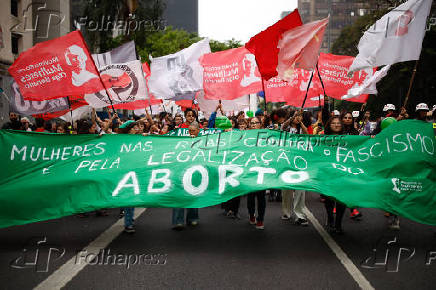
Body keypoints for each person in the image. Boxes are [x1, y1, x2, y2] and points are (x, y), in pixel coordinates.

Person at [280, 110, 309, 226]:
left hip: (300, 162)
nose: (298, 118)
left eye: (300, 116)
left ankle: (300, 215)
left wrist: (301, 123)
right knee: (286, 189)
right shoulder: (286, 127)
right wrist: (292, 118)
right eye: (296, 115)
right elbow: (283, 126)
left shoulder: (302, 128)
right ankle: (286, 212)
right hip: (286, 161)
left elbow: (307, 134)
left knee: (300, 189)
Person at [172, 121, 200, 230]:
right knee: (179, 196)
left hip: (195, 173)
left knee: (193, 196)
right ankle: (178, 221)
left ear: (198, 131)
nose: (190, 133)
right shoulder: (182, 141)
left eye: (193, 131)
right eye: (189, 131)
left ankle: (193, 218)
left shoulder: (204, 141)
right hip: (181, 172)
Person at [322, 116, 347, 234]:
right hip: (328, 174)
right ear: (329, 125)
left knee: (342, 199)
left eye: (338, 123)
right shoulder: (322, 138)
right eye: (333, 123)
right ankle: (330, 217)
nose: (336, 125)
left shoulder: (348, 138)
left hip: (342, 174)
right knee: (329, 199)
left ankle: (338, 224)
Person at [118, 120, 141, 233]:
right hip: (125, 174)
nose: (136, 129)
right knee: (129, 199)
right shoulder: (121, 140)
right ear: (129, 129)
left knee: (132, 199)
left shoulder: (139, 139)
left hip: (135, 173)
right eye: (134, 127)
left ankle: (129, 220)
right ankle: (128, 223)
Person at [246, 117, 267, 230]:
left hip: (262, 171)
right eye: (251, 123)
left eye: (256, 123)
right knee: (250, 196)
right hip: (249, 171)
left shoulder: (266, 136)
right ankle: (251, 214)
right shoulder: (245, 136)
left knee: (261, 197)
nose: (253, 125)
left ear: (260, 124)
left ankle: (260, 219)